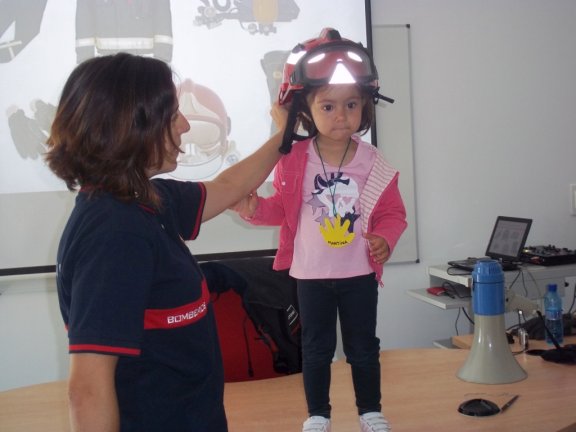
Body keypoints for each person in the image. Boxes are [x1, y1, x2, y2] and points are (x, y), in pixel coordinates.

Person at [44, 52, 286, 432]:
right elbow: (87, 390)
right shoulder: (114, 234)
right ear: (130, 128)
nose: (185, 126)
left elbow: (229, 186)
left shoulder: (145, 199)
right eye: (172, 116)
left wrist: (287, 134)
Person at [232, 28, 407, 432]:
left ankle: (370, 412)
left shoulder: (373, 162)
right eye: (328, 106)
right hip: (310, 276)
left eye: (351, 104)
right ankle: (318, 415)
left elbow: (393, 214)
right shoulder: (293, 158)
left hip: (358, 274)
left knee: (364, 347)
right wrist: (254, 208)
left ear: (365, 106)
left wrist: (385, 238)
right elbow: (281, 209)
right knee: (315, 349)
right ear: (306, 111)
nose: (341, 115)